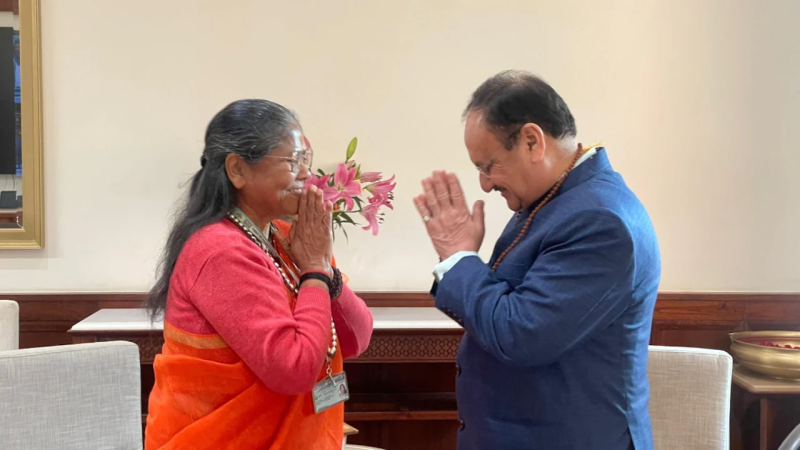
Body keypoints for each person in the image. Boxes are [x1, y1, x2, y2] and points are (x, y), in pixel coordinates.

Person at [413, 70, 660, 450]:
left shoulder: (599, 220)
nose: (485, 184)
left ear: (532, 141)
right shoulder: (556, 200)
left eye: (488, 166)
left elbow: (521, 334)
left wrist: (459, 257)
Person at [143, 99, 373, 450]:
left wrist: (325, 270)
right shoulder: (219, 250)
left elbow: (357, 338)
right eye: (293, 160)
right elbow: (293, 370)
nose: (306, 174)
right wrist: (314, 270)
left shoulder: (284, 238)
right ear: (238, 169)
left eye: (306, 160)